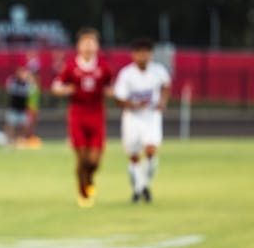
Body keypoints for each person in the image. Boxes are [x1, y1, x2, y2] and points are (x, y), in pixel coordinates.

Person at [51, 28, 114, 208]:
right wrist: (64, 90)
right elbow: (56, 86)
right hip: (77, 115)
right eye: (85, 42)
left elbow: (112, 86)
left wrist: (111, 92)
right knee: (82, 158)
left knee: (94, 161)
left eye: (92, 42)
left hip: (97, 115)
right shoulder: (71, 66)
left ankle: (90, 178)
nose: (88, 46)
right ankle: (83, 190)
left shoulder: (103, 66)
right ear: (79, 46)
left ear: (97, 46)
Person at [113, 37, 171, 203]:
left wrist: (162, 101)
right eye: (140, 52)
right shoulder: (127, 74)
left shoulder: (158, 71)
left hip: (151, 117)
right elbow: (119, 99)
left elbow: (166, 85)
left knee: (151, 151)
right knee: (134, 156)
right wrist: (134, 105)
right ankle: (140, 188)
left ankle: (141, 185)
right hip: (132, 118)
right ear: (134, 55)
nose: (143, 56)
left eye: (146, 52)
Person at [5, 66, 32, 146]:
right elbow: (12, 90)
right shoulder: (13, 82)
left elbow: (30, 91)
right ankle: (9, 141)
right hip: (13, 108)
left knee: (24, 126)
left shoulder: (27, 83)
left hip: (23, 109)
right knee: (11, 125)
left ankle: (20, 140)